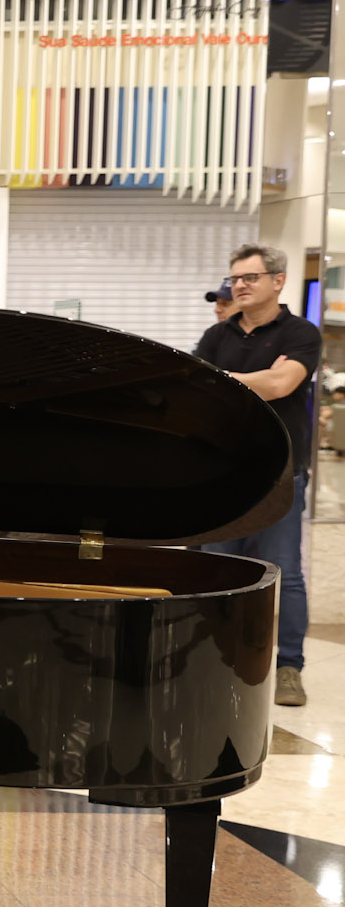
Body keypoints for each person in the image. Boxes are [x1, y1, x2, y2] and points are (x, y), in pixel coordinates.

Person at [196, 243, 322, 708]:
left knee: (284, 574)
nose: (240, 286)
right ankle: (209, 658)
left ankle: (289, 667)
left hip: (281, 474)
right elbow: (200, 388)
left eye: (250, 277)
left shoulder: (301, 332)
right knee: (213, 570)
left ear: (278, 280)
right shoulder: (218, 336)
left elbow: (281, 384)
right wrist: (252, 378)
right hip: (225, 472)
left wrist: (223, 379)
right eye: (235, 279)